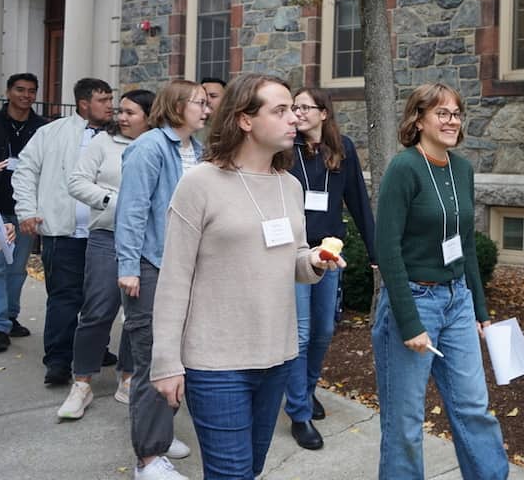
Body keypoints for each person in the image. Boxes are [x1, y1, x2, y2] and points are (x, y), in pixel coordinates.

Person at [149, 74, 342, 479]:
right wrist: (165, 361)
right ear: (245, 119)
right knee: (231, 473)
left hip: (277, 357)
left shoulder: (290, 186)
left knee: (250, 469)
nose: (294, 118)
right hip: (216, 362)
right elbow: (174, 278)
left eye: (294, 109)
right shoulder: (199, 183)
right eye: (281, 110)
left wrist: (314, 261)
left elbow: (294, 260)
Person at [372, 82, 507, 480]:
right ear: (418, 120)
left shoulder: (462, 169)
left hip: (457, 300)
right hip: (415, 301)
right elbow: (387, 249)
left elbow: (466, 244)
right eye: (442, 113)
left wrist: (480, 309)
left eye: (456, 113)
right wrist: (410, 322)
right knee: (405, 422)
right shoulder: (404, 168)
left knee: (474, 408)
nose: (452, 121)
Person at [114, 80, 209, 480]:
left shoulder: (197, 150)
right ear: (176, 106)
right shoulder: (149, 147)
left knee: (175, 355)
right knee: (153, 357)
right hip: (151, 265)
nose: (207, 109)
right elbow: (132, 210)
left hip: (184, 267)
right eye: (199, 103)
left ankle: (160, 434)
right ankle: (148, 459)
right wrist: (128, 266)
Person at [284, 87, 376, 450]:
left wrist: (375, 251)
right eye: (294, 107)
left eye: (305, 107)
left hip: (329, 254)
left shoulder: (342, 149)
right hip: (294, 254)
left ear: (324, 113)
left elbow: (358, 201)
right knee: (301, 333)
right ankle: (299, 412)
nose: (298, 113)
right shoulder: (285, 149)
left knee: (323, 330)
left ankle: (306, 391)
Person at [56, 89, 155, 419]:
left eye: (130, 112)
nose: (121, 117)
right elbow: (76, 182)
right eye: (120, 111)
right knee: (98, 309)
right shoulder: (103, 142)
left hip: (147, 242)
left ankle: (128, 377)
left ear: (149, 116)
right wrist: (114, 201)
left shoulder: (158, 145)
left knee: (137, 316)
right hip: (107, 236)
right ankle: (82, 383)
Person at [12, 77, 114, 385]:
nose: (110, 106)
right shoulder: (51, 133)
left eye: (111, 99)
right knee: (63, 298)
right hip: (62, 232)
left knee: (101, 299)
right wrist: (27, 210)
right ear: (84, 103)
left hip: (104, 232)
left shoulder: (117, 136)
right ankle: (58, 360)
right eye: (103, 100)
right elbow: (25, 171)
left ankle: (95, 349)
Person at [0, 73, 46, 352]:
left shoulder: (43, 128)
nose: (26, 95)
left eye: (31, 91)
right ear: (8, 92)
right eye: (20, 89)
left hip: (26, 208)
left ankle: (10, 315)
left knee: (17, 268)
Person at [195, 77, 226, 145]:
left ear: (226, 99)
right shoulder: (189, 126)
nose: (207, 100)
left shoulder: (234, 126)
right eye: (204, 96)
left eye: (213, 96)